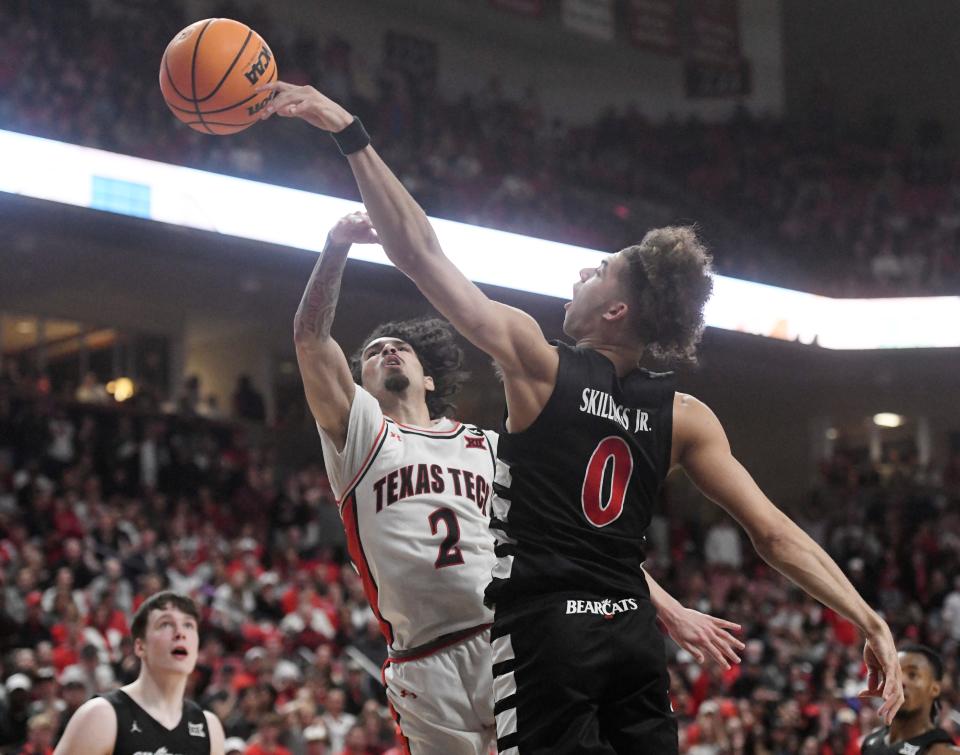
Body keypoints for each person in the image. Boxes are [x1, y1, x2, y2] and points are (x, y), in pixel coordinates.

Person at [260, 80, 905, 754]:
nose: (583, 272)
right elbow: (772, 532)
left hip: (546, 635)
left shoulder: (540, 369)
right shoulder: (685, 414)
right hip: (627, 631)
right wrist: (865, 615)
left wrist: (349, 131)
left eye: (600, 270)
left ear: (616, 310)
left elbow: (418, 250)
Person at [288, 207, 744, 755]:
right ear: (359, 382)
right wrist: (335, 247)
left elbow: (576, 542)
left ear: (429, 376)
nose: (386, 351)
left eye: (399, 347)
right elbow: (312, 341)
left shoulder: (491, 446)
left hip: (512, 635)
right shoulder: (360, 436)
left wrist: (668, 609)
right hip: (422, 662)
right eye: (372, 353)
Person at [53, 591, 226, 755]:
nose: (180, 633)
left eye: (188, 625)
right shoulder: (101, 715)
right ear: (140, 646)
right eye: (165, 624)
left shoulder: (209, 727)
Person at [861, 645, 959, 754]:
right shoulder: (871, 741)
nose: (899, 681)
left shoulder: (942, 751)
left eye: (912, 675)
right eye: (893, 673)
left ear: (934, 689)